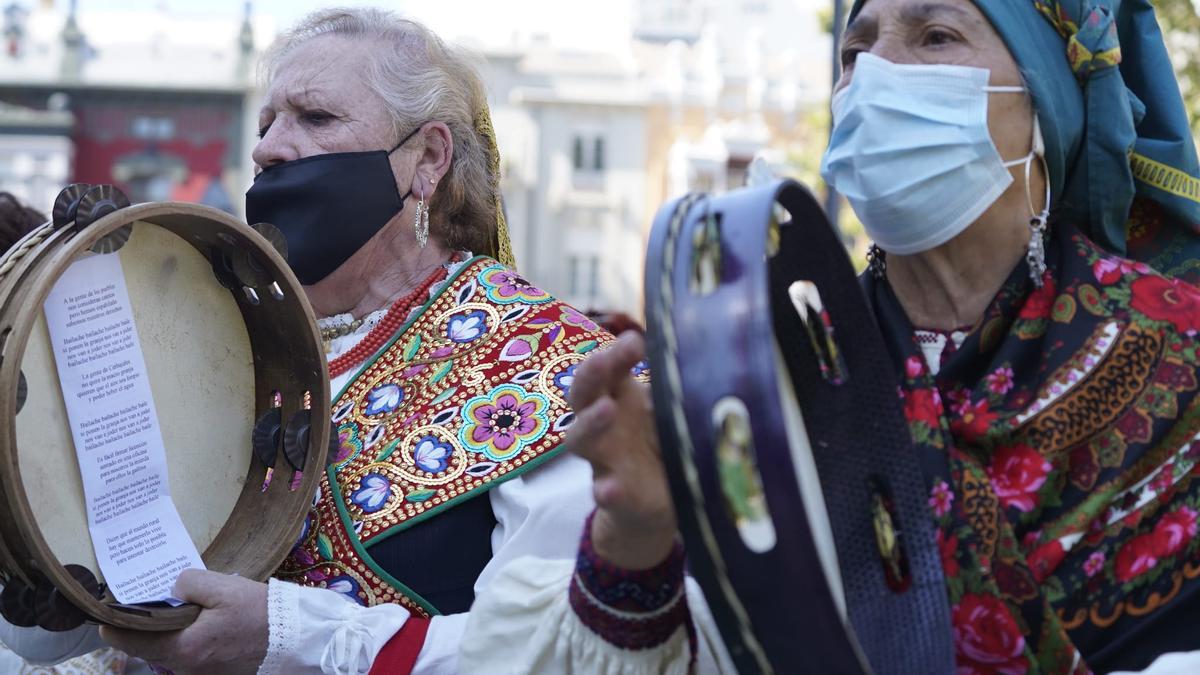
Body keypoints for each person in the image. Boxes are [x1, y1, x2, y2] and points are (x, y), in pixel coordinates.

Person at [461, 0, 1200, 673]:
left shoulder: (1182, 357)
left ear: (1046, 104)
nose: (875, 76)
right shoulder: (765, 377)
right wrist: (634, 534)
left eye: (936, 36)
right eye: (855, 52)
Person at [0, 8, 612, 674]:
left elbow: (568, 649)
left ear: (428, 158)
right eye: (265, 125)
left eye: (315, 118)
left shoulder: (549, 365)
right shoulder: (218, 348)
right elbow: (54, 627)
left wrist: (290, 634)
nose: (267, 148)